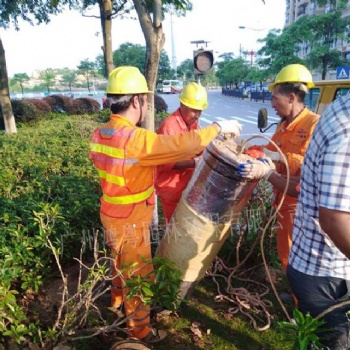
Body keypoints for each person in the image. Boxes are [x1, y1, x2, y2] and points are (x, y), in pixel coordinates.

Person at [88, 66, 242, 344]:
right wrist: (219, 127)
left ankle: (115, 301)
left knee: (117, 262)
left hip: (109, 213)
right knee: (140, 275)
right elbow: (181, 146)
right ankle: (140, 330)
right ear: (137, 101)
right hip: (133, 216)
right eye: (144, 100)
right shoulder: (137, 139)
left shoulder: (98, 136)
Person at [239, 64, 320, 272]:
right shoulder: (283, 127)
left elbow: (310, 164)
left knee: (300, 261)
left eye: (275, 98)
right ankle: (293, 295)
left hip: (301, 206)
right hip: (282, 201)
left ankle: (299, 302)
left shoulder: (314, 125)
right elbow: (269, 150)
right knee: (286, 254)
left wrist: (275, 157)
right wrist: (246, 149)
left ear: (291, 98)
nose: (272, 104)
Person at [287, 91, 350, 349]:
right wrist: (268, 168)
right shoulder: (345, 131)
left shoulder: (322, 116)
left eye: (275, 98)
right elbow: (334, 219)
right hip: (323, 268)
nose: (272, 104)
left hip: (319, 253)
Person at [155, 82, 208, 225]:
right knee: (175, 231)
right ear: (182, 104)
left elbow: (198, 146)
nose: (197, 115)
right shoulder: (169, 127)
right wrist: (195, 163)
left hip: (187, 187)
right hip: (171, 189)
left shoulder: (192, 124)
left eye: (200, 111)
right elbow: (166, 163)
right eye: (194, 110)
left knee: (186, 230)